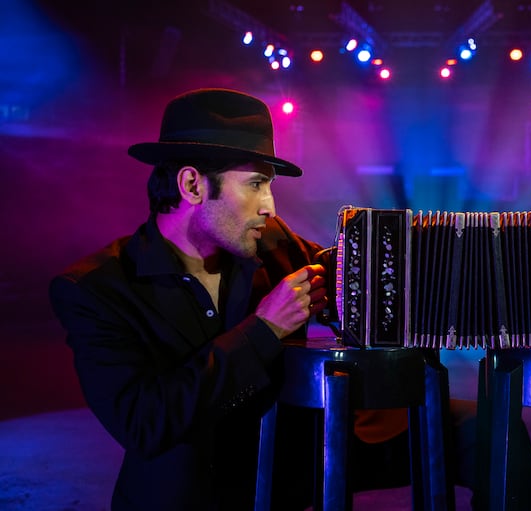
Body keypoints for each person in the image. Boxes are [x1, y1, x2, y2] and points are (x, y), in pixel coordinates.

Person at [49, 88, 330, 510]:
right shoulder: (96, 289)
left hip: (277, 496)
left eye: (268, 186)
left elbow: (347, 275)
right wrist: (264, 329)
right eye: (255, 184)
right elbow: (144, 423)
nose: (269, 206)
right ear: (192, 184)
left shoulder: (274, 244)